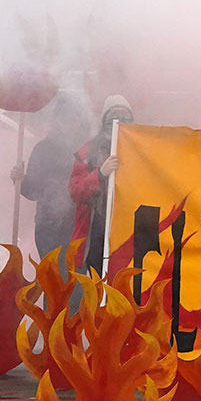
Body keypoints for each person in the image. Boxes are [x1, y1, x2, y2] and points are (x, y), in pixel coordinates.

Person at [11, 96, 89, 261]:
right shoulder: (43, 149)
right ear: (57, 120)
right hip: (48, 227)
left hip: (79, 227)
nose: (70, 122)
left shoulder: (87, 150)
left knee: (76, 282)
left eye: (75, 117)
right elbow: (32, 191)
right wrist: (20, 180)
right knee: (53, 279)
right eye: (65, 117)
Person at [70, 95, 134, 276]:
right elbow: (75, 191)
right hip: (96, 235)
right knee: (96, 293)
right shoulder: (88, 152)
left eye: (124, 116)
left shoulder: (140, 150)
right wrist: (100, 174)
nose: (119, 120)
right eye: (113, 115)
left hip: (129, 233)